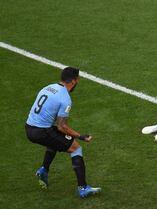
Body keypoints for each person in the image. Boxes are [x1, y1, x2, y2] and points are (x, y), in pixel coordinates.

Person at [25, 67, 101, 198]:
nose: (77, 82)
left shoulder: (48, 87)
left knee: (55, 140)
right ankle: (83, 188)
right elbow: (62, 126)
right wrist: (81, 136)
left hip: (29, 127)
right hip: (41, 131)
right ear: (73, 81)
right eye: (77, 80)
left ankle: (44, 170)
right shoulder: (65, 98)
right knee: (76, 148)